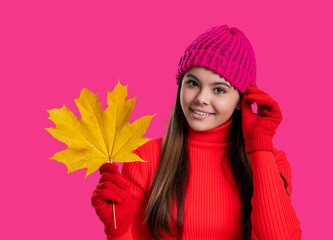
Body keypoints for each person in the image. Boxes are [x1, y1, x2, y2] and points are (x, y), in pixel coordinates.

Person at [91, 24, 302, 240]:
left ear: (242, 100)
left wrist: (260, 146)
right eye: (193, 83)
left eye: (219, 89)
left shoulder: (272, 161)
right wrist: (118, 228)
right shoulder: (143, 159)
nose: (201, 98)